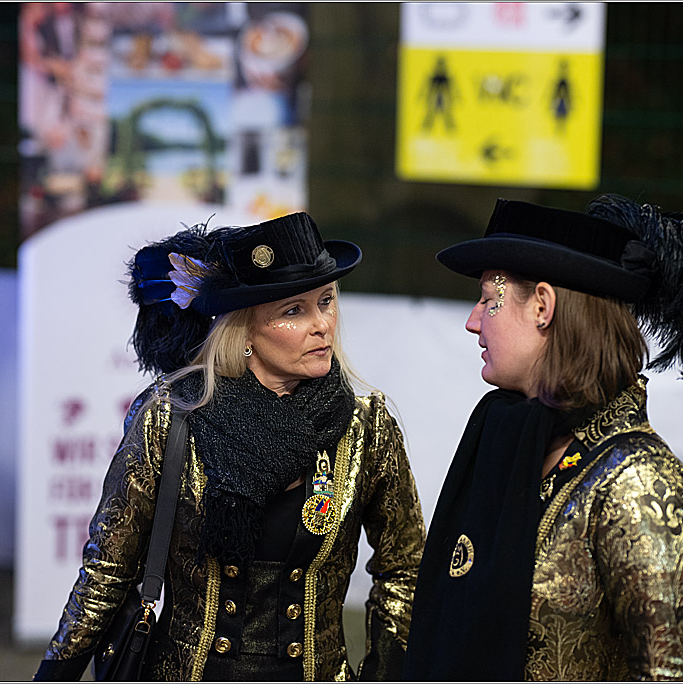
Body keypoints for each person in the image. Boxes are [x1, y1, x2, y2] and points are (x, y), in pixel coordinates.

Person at [35, 212, 425, 680]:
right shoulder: (171, 415)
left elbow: (406, 569)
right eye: (293, 311)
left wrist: (385, 674)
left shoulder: (366, 426)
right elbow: (108, 571)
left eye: (325, 302)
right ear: (244, 333)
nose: (322, 324)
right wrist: (53, 676)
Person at [404, 196, 683, 680]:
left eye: (488, 300)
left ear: (543, 306)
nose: (473, 320)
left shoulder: (638, 483)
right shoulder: (511, 436)